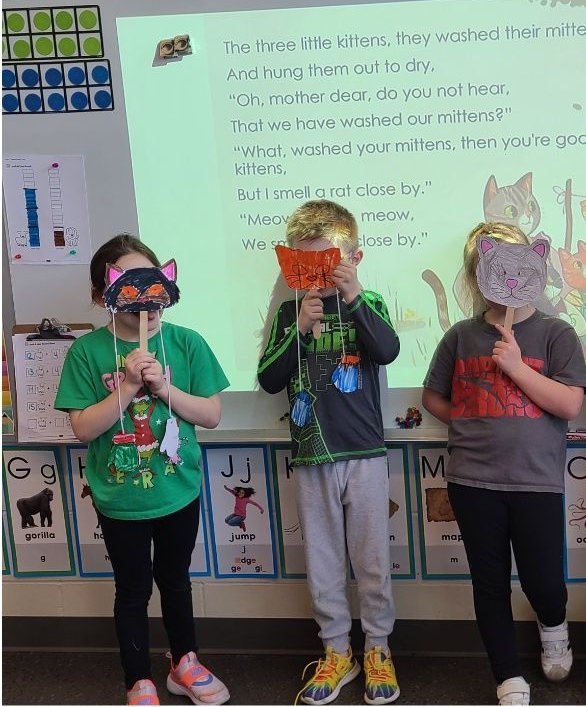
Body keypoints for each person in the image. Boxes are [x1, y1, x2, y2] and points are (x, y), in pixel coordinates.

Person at [55, 234, 230, 706]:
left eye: (154, 288)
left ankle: (184, 664)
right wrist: (129, 385)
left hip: (178, 490)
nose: (147, 304)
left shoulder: (187, 343)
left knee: (176, 581)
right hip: (120, 498)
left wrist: (164, 389)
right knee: (132, 590)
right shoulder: (87, 353)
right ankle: (138, 680)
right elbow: (83, 429)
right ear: (102, 296)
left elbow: (211, 415)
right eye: (130, 289)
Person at [421, 222, 586, 705]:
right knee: (489, 581)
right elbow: (434, 397)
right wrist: (469, 420)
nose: (508, 280)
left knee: (543, 579)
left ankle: (552, 624)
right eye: (494, 268)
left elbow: (570, 405)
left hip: (536, 480)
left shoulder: (556, 333)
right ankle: (507, 674)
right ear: (478, 274)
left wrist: (515, 366)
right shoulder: (460, 336)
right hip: (472, 480)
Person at [257, 201, 401, 706]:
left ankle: (377, 648)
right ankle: (336, 649)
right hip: (311, 456)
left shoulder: (371, 302)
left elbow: (386, 351)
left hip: (363, 452)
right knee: (322, 561)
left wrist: (354, 296)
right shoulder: (285, 314)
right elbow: (269, 379)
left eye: (329, 263)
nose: (318, 275)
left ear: (352, 258)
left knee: (372, 560)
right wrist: (297, 325)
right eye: (306, 264)